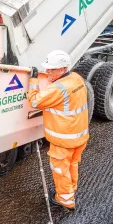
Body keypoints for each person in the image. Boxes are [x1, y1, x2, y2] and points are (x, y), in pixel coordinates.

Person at [28, 50, 89, 210]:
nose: (48, 72)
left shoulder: (57, 89)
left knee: (60, 170)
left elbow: (34, 101)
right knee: (72, 164)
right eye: (47, 69)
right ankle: (71, 188)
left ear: (62, 69)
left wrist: (33, 80)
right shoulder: (76, 78)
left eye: (51, 69)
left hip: (64, 140)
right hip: (79, 136)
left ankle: (65, 200)